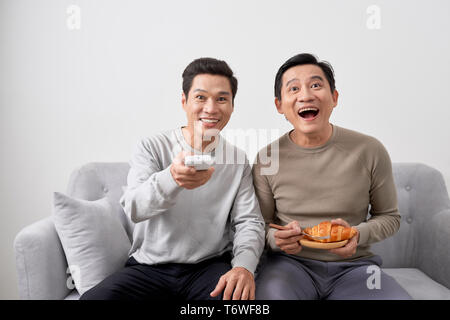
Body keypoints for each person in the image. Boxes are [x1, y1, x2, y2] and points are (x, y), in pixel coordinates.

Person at [81, 57, 265, 300]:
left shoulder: (237, 159)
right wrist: (171, 179)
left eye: (222, 99)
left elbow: (249, 222)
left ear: (232, 106)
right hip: (149, 268)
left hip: (207, 268)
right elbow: (134, 208)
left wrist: (243, 267)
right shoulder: (151, 147)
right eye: (200, 97)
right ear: (184, 101)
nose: (211, 108)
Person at [252, 53, 411, 299]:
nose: (305, 95)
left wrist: (358, 234)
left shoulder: (369, 150)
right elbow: (258, 226)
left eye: (316, 85)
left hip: (356, 268)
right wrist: (276, 239)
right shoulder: (266, 159)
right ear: (279, 105)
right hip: (289, 266)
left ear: (334, 98)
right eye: (293, 88)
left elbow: (389, 217)